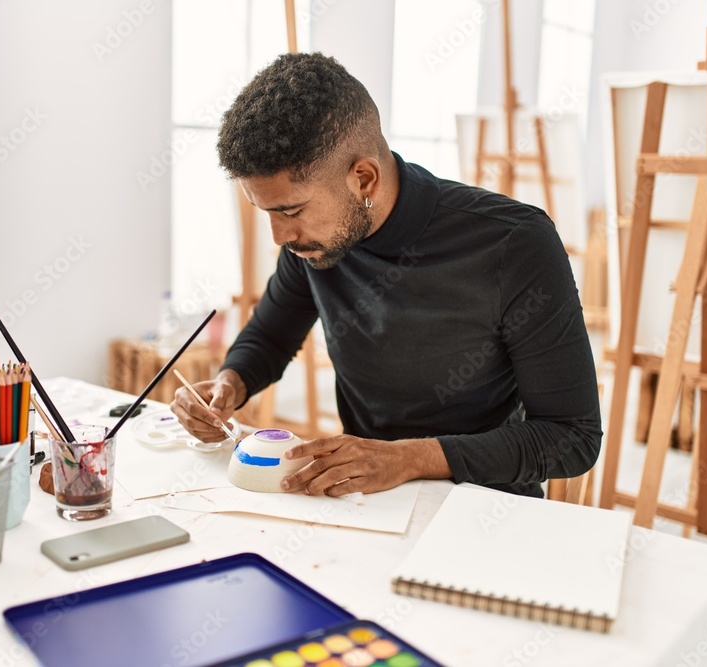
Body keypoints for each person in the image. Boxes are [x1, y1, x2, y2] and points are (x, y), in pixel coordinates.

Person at [170, 52, 601, 498]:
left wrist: (409, 458)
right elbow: (269, 338)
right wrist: (228, 384)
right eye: (266, 212)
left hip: (482, 502)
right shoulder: (313, 242)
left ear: (364, 178)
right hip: (362, 494)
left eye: (291, 210)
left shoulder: (514, 242)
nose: (280, 236)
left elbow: (572, 436)